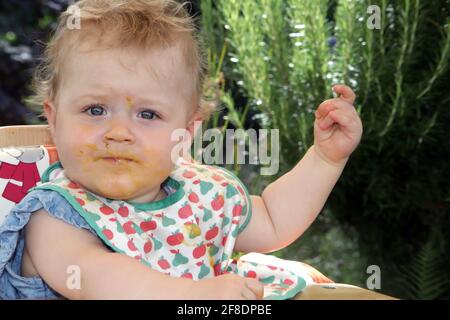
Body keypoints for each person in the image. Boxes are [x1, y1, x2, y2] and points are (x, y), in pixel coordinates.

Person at [0, 0, 362, 300]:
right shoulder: (53, 215)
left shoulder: (199, 194)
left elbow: (273, 220)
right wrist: (196, 294)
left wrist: (325, 158)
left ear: (187, 131)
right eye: (95, 110)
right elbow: (99, 280)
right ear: (54, 119)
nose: (118, 132)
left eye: (148, 114)